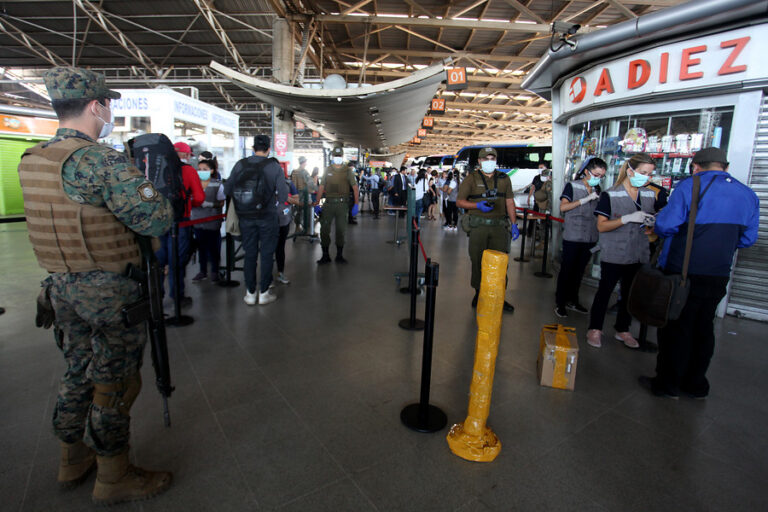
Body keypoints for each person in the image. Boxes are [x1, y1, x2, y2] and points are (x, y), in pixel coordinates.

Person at [17, 67, 173, 504]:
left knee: (76, 370)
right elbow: (157, 217)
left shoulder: (34, 159)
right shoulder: (100, 160)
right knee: (115, 381)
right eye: (108, 104)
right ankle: (113, 473)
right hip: (108, 292)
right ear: (95, 106)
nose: (109, 111)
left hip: (60, 287)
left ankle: (72, 456)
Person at [639, 147, 760, 399]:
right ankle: (695, 385)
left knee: (676, 329)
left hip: (683, 273)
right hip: (718, 274)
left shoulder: (689, 186)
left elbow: (666, 226)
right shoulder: (747, 193)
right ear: (724, 166)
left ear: (695, 167)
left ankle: (668, 384)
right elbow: (748, 239)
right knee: (704, 327)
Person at [587, 153, 658, 349]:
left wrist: (652, 222)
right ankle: (595, 329)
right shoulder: (611, 194)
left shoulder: (649, 194)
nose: (646, 178)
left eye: (649, 174)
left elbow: (654, 219)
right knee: (605, 291)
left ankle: (623, 329)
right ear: (630, 171)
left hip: (639, 252)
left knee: (629, 294)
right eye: (643, 173)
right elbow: (601, 226)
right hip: (615, 253)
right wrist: (626, 219)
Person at [224, 135, 288, 305]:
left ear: (253, 148)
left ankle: (250, 293)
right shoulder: (274, 166)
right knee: (267, 254)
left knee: (250, 254)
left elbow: (228, 188)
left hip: (245, 217)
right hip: (267, 217)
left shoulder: (240, 164)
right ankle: (264, 293)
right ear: (268, 149)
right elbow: (283, 195)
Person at [456, 147, 520, 312]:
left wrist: (514, 224)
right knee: (477, 261)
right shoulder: (471, 179)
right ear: (479, 161)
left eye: (492, 159)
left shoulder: (504, 179)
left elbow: (510, 202)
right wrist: (477, 205)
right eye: (485, 159)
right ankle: (478, 294)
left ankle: (499, 297)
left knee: (500, 263)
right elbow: (460, 202)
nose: (489, 162)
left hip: (499, 227)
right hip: (478, 226)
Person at [554, 157, 607, 318]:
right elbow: (563, 207)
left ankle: (573, 300)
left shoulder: (598, 189)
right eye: (596, 174)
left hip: (590, 237)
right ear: (586, 171)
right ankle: (560, 303)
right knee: (567, 271)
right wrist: (584, 200)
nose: (598, 178)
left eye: (601, 176)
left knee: (579, 272)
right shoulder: (572, 186)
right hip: (573, 236)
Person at [155, 141, 204, 307]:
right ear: (184, 155)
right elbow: (199, 198)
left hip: (156, 222)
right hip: (180, 221)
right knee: (177, 261)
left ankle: (156, 297)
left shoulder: (155, 171)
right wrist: (189, 204)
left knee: (159, 261)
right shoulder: (188, 170)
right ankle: (177, 296)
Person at [315, 145, 360, 264]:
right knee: (324, 230)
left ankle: (339, 255)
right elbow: (321, 187)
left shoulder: (347, 171)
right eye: (336, 156)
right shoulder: (328, 169)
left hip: (342, 205)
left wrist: (356, 204)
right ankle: (325, 255)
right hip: (328, 204)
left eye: (339, 156)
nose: (337, 157)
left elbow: (355, 188)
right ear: (333, 156)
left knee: (341, 230)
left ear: (342, 157)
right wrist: (317, 203)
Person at [191, 158, 225, 282]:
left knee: (213, 248)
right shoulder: (193, 184)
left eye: (204, 169)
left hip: (212, 222)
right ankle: (202, 271)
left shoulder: (217, 184)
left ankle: (215, 271)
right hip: (197, 220)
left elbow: (221, 202)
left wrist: (209, 204)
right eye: (199, 169)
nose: (201, 172)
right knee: (201, 248)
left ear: (211, 170)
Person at [275, 170, 300, 284]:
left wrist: (285, 197)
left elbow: (297, 200)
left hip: (283, 220)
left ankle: (280, 273)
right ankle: (266, 279)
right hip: (267, 221)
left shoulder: (288, 184)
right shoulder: (264, 183)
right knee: (267, 249)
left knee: (280, 247)